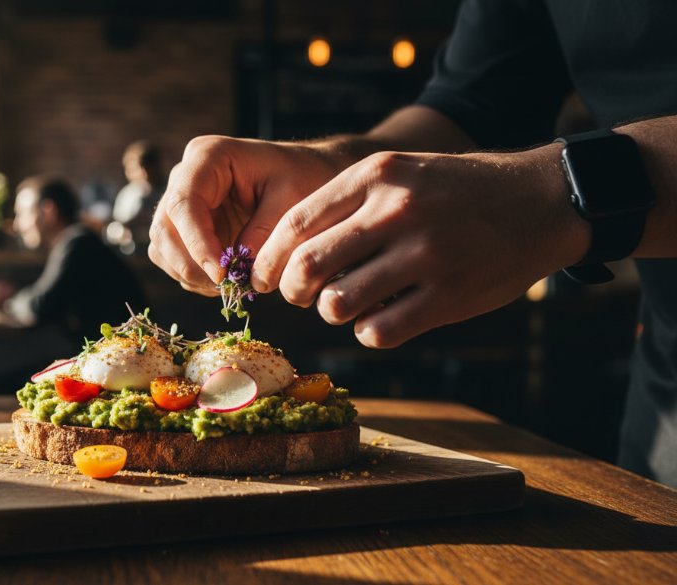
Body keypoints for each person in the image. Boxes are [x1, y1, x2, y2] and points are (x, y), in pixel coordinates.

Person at [149, 1, 677, 487]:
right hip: (664, 398)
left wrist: (556, 194)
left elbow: (524, 170)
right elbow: (473, 105)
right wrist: (336, 166)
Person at [4, 176, 145, 343]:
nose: (17, 225)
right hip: (111, 354)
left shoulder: (77, 244)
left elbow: (40, 306)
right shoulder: (76, 241)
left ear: (49, 211)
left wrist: (10, 300)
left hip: (126, 357)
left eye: (22, 214)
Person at [110, 140, 165, 249]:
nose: (143, 173)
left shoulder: (168, 192)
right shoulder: (127, 195)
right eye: (136, 169)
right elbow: (117, 225)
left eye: (147, 167)